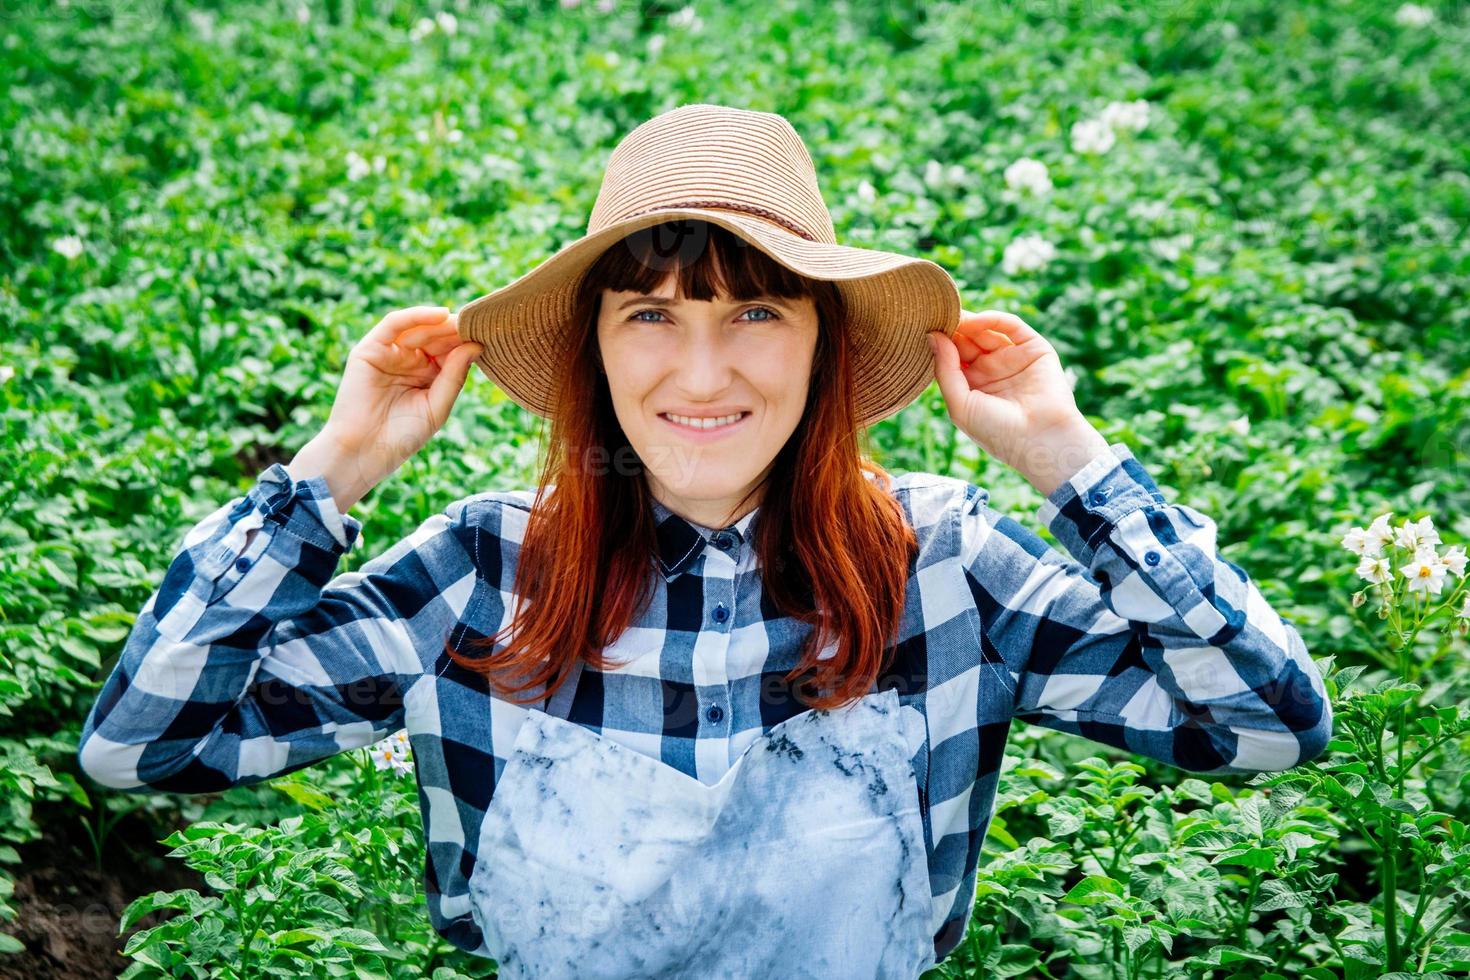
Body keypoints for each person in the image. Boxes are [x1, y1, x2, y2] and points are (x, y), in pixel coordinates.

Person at [75, 104, 1333, 979]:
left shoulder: (941, 567)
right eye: (648, 315)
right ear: (595, 351)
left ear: (824, 343)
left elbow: (1268, 724)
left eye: (757, 310)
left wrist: (1068, 460)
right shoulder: (484, 578)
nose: (702, 372)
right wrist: (336, 468)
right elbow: (143, 744)